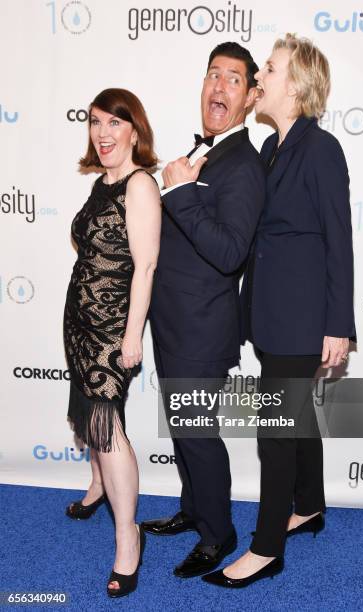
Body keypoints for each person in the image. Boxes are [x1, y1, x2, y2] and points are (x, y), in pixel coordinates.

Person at [203, 34, 356, 588]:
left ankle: (266, 547)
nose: (259, 76)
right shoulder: (270, 150)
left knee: (276, 428)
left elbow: (339, 240)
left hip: (302, 317)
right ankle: (309, 504)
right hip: (268, 312)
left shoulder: (321, 150)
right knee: (296, 419)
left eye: (269, 68)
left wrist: (339, 325)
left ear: (296, 85)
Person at [142, 42, 266, 577]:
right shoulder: (204, 153)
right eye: (212, 75)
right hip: (173, 323)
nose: (218, 86)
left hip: (203, 327)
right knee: (182, 426)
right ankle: (194, 510)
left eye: (233, 79)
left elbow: (228, 251)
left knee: (198, 432)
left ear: (250, 96)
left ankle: (219, 533)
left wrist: (182, 193)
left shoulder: (243, 165)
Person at [63, 88, 161, 598]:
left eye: (113, 124)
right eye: (95, 123)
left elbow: (144, 266)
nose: (102, 134)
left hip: (110, 331)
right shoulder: (104, 182)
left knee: (105, 426)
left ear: (134, 131)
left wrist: (130, 338)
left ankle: (129, 536)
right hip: (79, 324)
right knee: (89, 414)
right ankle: (99, 486)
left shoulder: (139, 185)